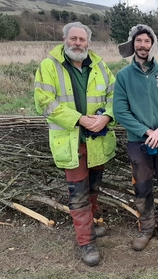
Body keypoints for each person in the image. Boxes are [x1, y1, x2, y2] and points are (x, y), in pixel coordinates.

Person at [34, 22, 116, 266]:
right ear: (65, 39)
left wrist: (106, 116)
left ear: (88, 42)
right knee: (78, 193)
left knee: (92, 189)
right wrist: (79, 119)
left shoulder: (100, 66)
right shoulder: (50, 66)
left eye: (82, 39)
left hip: (97, 141)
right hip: (71, 142)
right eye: (74, 38)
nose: (78, 43)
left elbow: (115, 95)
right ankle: (86, 242)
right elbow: (43, 101)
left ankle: (89, 226)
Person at [113, 24, 158, 252]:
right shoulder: (124, 76)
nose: (143, 45)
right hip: (138, 141)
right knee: (142, 187)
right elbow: (120, 110)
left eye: (147, 41)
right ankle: (146, 229)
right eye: (139, 41)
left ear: (152, 44)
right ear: (133, 44)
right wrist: (147, 131)